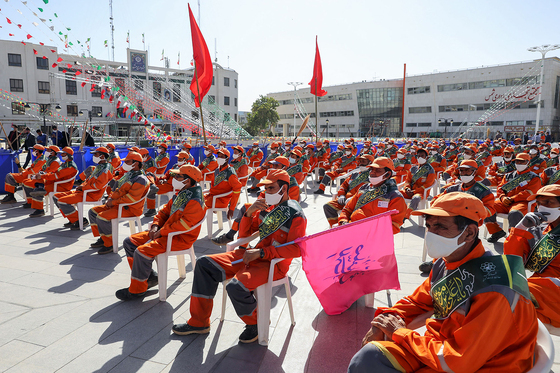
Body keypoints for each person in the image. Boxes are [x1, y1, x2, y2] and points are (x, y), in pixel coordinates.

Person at [348, 192, 538, 373]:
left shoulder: (495, 289)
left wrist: (400, 333)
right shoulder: (445, 262)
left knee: (369, 362)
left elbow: (459, 359)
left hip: (482, 365)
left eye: (441, 226)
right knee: (369, 358)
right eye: (429, 226)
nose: (431, 233)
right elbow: (416, 302)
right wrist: (381, 321)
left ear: (469, 233)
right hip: (441, 349)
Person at [172, 170, 307, 344]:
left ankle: (257, 323)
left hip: (273, 265)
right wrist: (249, 213)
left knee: (235, 287)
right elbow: (244, 236)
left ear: (285, 188)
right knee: (204, 264)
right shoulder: (267, 209)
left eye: (272, 188)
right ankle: (199, 322)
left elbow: (296, 249)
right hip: (252, 256)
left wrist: (262, 253)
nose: (267, 193)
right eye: (266, 189)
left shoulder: (296, 214)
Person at [116, 164, 206, 300]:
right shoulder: (182, 193)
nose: (174, 178)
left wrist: (161, 232)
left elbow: (184, 225)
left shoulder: (195, 200)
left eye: (178, 176)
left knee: (141, 252)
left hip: (179, 238)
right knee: (129, 242)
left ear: (187, 180)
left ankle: (137, 289)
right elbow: (164, 212)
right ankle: (149, 277)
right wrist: (155, 226)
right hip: (166, 233)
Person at [419, 159, 496, 274]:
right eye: (462, 171)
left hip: (469, 223)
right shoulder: (453, 188)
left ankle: (467, 267)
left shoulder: (483, 190)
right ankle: (438, 262)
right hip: (449, 220)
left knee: (466, 246)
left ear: (474, 172)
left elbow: (490, 209)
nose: (464, 173)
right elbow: (436, 200)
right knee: (441, 239)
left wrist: (473, 210)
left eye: (467, 171)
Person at [211, 156, 301, 246]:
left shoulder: (291, 183)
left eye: (276, 166)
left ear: (284, 168)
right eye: (272, 165)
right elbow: (257, 178)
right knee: (246, 208)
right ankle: (237, 240)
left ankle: (234, 238)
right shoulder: (273, 178)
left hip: (277, 212)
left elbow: (290, 202)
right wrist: (263, 169)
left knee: (247, 212)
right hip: (267, 205)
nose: (272, 167)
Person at [504, 184, 560, 327]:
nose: (542, 207)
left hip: (552, 290)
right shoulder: (540, 230)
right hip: (540, 291)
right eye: (539, 203)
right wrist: (520, 229)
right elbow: (514, 261)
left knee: (507, 297)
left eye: (548, 202)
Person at [89, 151, 149, 255]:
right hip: (118, 204)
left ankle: (110, 244)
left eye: (127, 162)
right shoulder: (129, 174)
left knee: (102, 217)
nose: (124, 163)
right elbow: (118, 189)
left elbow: (131, 198)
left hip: (128, 208)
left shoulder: (141, 179)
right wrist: (110, 198)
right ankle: (103, 238)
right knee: (93, 212)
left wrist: (114, 202)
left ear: (135, 163)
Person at [338, 157, 407, 233]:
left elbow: (394, 226)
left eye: (377, 170)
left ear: (387, 174)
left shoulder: (395, 197)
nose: (372, 172)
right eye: (371, 169)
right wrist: (343, 222)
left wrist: (365, 230)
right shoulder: (363, 188)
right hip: (351, 230)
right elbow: (347, 209)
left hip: (373, 236)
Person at [485, 153, 542, 243]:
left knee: (515, 213)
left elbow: (529, 193)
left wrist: (513, 198)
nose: (519, 163)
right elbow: (500, 188)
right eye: (517, 161)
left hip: (523, 203)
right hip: (506, 201)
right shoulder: (508, 175)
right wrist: (503, 197)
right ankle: (496, 231)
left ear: (528, 163)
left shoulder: (534, 178)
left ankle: (514, 239)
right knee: (487, 207)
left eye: (522, 162)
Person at [53, 147, 113, 229]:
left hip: (90, 194)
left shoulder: (105, 169)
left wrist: (83, 187)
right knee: (56, 197)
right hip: (85, 191)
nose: (94, 156)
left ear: (102, 156)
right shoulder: (100, 166)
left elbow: (98, 185)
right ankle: (73, 219)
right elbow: (89, 180)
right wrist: (82, 186)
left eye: (95, 154)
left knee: (62, 201)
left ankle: (80, 220)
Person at [323, 154, 375, 227]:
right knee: (327, 206)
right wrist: (341, 195)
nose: (360, 163)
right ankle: (335, 227)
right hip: (345, 200)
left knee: (356, 215)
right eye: (360, 161)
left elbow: (371, 191)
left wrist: (355, 198)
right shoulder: (354, 174)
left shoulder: (373, 176)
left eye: (363, 161)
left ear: (370, 163)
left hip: (359, 202)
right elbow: (344, 185)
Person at [26, 147, 78, 218]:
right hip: (56, 182)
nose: (62, 155)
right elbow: (55, 171)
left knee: (39, 191)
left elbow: (57, 175)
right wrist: (43, 175)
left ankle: (39, 210)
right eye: (61, 154)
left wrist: (43, 176)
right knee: (38, 186)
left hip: (62, 185)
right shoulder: (66, 163)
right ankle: (37, 207)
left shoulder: (70, 166)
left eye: (64, 154)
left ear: (68, 155)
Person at [204, 147, 242, 223]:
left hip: (221, 200)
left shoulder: (230, 172)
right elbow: (213, 186)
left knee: (196, 204)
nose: (219, 158)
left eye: (222, 157)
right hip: (212, 197)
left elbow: (237, 189)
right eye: (219, 156)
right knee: (194, 199)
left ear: (227, 159)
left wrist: (232, 208)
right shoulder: (217, 170)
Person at [400, 148, 436, 220]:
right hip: (410, 190)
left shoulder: (430, 169)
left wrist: (414, 192)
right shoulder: (413, 168)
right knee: (396, 194)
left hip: (421, 192)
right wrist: (407, 188)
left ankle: (406, 216)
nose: (420, 158)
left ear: (426, 157)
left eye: (422, 156)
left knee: (416, 198)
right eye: (418, 156)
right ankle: (398, 213)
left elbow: (427, 185)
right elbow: (407, 180)